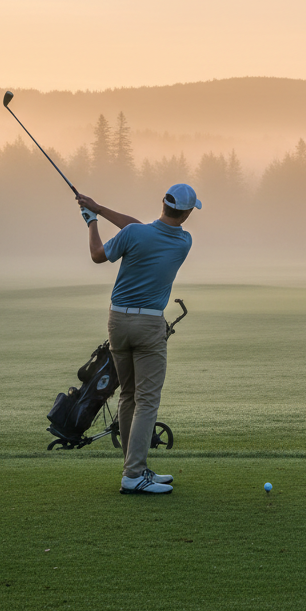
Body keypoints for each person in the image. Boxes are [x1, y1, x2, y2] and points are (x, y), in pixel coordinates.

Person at [75, 182, 201, 495]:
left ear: (163, 203)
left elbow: (98, 254)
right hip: (148, 325)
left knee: (129, 394)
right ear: (185, 213)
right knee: (146, 399)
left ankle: (136, 468)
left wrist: (93, 219)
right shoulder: (184, 241)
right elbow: (138, 228)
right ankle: (133, 475)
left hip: (117, 321)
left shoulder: (135, 234)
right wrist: (99, 209)